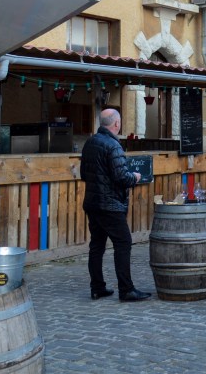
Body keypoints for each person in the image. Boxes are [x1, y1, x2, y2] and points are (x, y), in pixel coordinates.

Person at [81, 108, 148, 302]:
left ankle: (97, 287)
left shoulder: (90, 142)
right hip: (110, 204)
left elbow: (84, 174)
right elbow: (121, 177)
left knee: (97, 246)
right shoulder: (113, 146)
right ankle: (126, 289)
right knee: (123, 243)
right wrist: (134, 177)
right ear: (116, 124)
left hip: (92, 202)